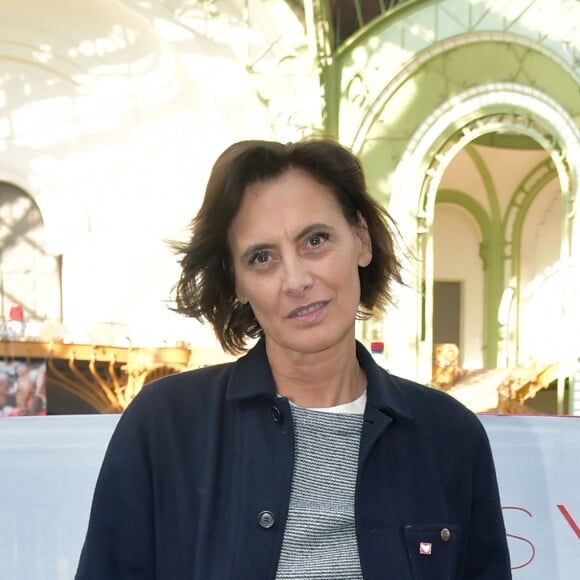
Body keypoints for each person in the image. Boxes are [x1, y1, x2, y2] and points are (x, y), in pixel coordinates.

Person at [75, 137, 512, 579]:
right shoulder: (164, 426)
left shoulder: (451, 437)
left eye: (315, 240)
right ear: (238, 283)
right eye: (262, 257)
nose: (296, 279)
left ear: (361, 239)